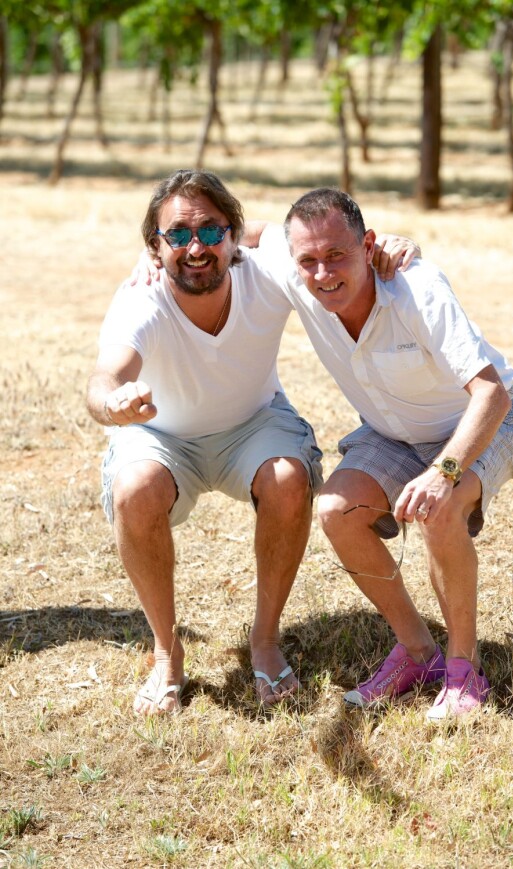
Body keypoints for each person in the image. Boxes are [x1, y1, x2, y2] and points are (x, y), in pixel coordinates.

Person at [86, 170, 417, 715]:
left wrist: (399, 245)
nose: (197, 248)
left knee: (288, 478)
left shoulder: (265, 271)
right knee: (134, 488)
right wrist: (114, 404)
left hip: (255, 423)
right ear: (154, 246)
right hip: (164, 436)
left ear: (235, 236)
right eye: (178, 235)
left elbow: (321, 249)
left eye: (212, 232)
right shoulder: (139, 299)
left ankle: (264, 641)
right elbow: (103, 379)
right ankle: (167, 652)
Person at [250, 187, 513, 722]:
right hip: (393, 434)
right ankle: (418, 652)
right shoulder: (298, 272)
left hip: (486, 422)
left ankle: (463, 669)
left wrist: (443, 474)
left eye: (337, 254)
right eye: (308, 260)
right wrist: (156, 256)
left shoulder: (416, 288)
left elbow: (491, 393)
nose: (323, 272)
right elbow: (239, 230)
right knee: (337, 511)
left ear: (369, 245)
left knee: (440, 507)